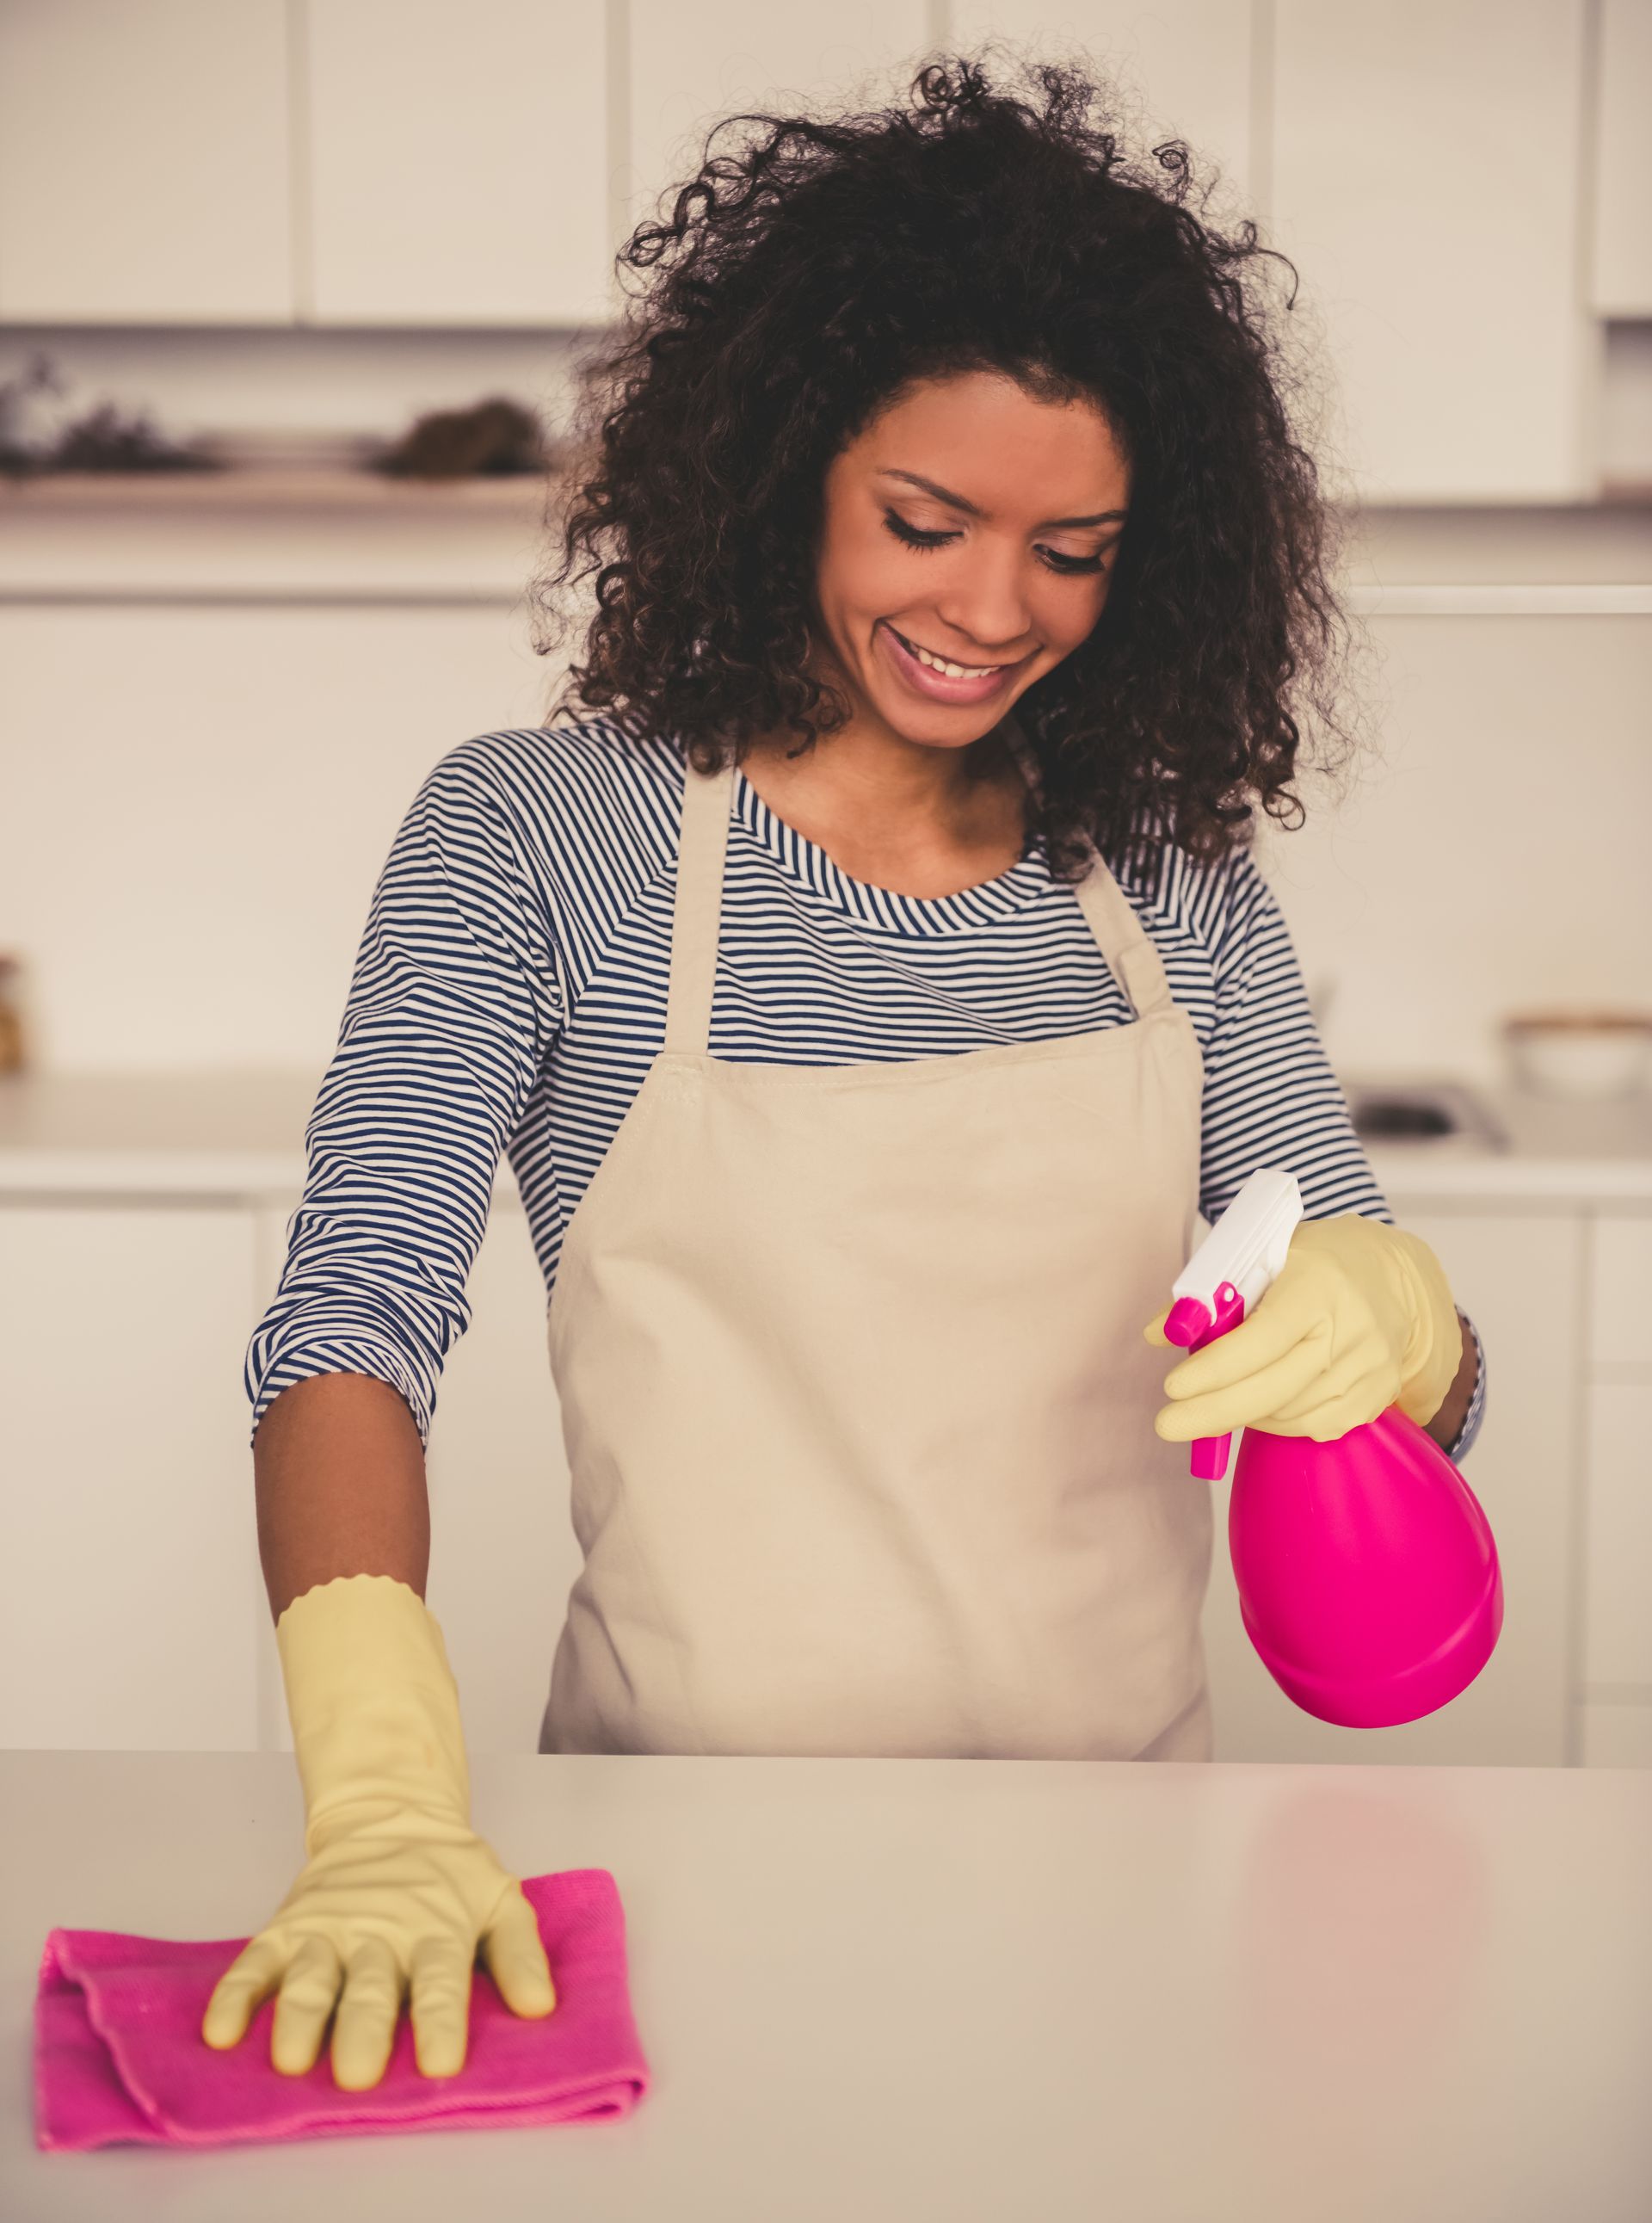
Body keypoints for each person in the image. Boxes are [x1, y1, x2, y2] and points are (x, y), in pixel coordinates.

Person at [204, 52, 1486, 2093]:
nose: (993, 608)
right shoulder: (550, 839)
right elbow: (345, 1324)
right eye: (926, 519)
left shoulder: (1168, 882)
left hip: (1131, 1885)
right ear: (784, 459)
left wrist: (1402, 1322)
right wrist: (377, 1792)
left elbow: (1382, 1343)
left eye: (1075, 547)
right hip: (696, 1871)